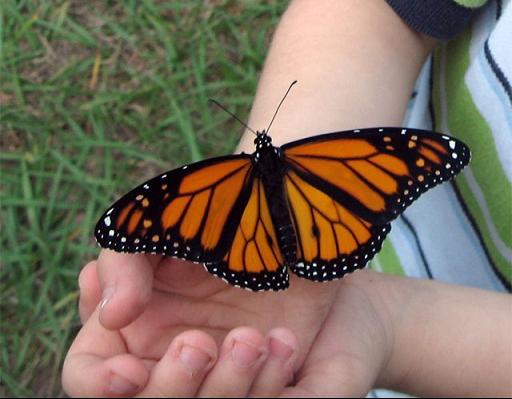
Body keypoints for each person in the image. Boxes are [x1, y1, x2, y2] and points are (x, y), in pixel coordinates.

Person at [62, 0, 511, 396]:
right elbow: (383, 9)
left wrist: (391, 327)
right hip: (358, 260)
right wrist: (378, 317)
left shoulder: (225, 181)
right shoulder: (313, 161)